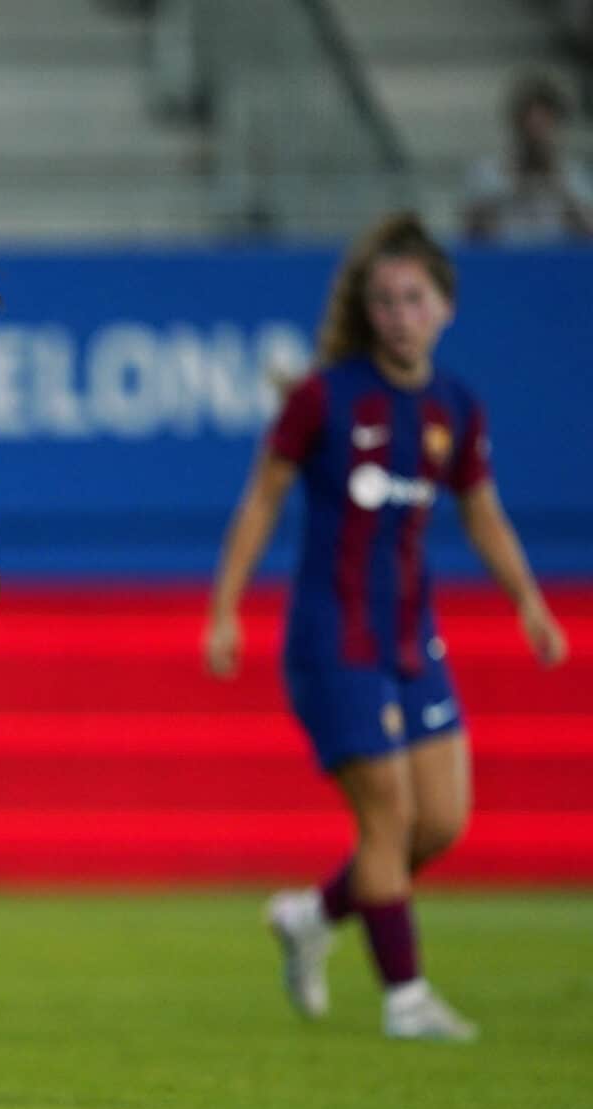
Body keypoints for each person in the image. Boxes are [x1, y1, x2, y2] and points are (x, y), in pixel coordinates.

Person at [205, 213, 569, 1041]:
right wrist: (226, 609)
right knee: (388, 820)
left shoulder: (454, 408)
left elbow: (483, 514)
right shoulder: (325, 398)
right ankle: (406, 998)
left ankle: (311, 917)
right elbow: (261, 498)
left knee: (441, 823)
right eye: (384, 301)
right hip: (334, 639)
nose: (398, 314)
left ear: (445, 306)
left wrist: (529, 603)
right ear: (368, 314)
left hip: (413, 638)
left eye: (413, 299)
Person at [461, 72, 593, 243]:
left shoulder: (575, 177)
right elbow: (469, 233)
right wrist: (512, 185)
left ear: (556, 127)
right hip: (504, 262)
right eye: (529, 129)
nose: (536, 137)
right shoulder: (487, 174)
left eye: (543, 127)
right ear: (517, 127)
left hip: (560, 264)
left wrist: (557, 184)